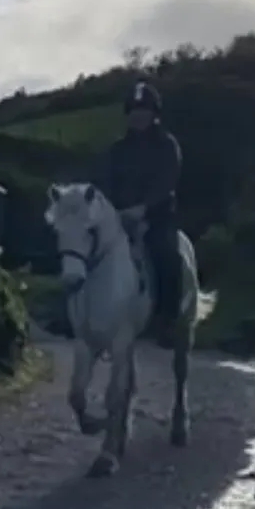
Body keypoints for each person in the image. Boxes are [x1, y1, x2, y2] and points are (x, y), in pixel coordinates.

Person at [98, 79, 182, 334]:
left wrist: (143, 209)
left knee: (166, 254)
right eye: (134, 112)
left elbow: (167, 182)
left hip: (157, 217)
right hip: (119, 218)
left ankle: (168, 318)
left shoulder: (167, 145)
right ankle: (77, 312)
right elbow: (107, 181)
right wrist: (113, 210)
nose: (138, 116)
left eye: (144, 111)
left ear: (154, 114)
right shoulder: (117, 149)